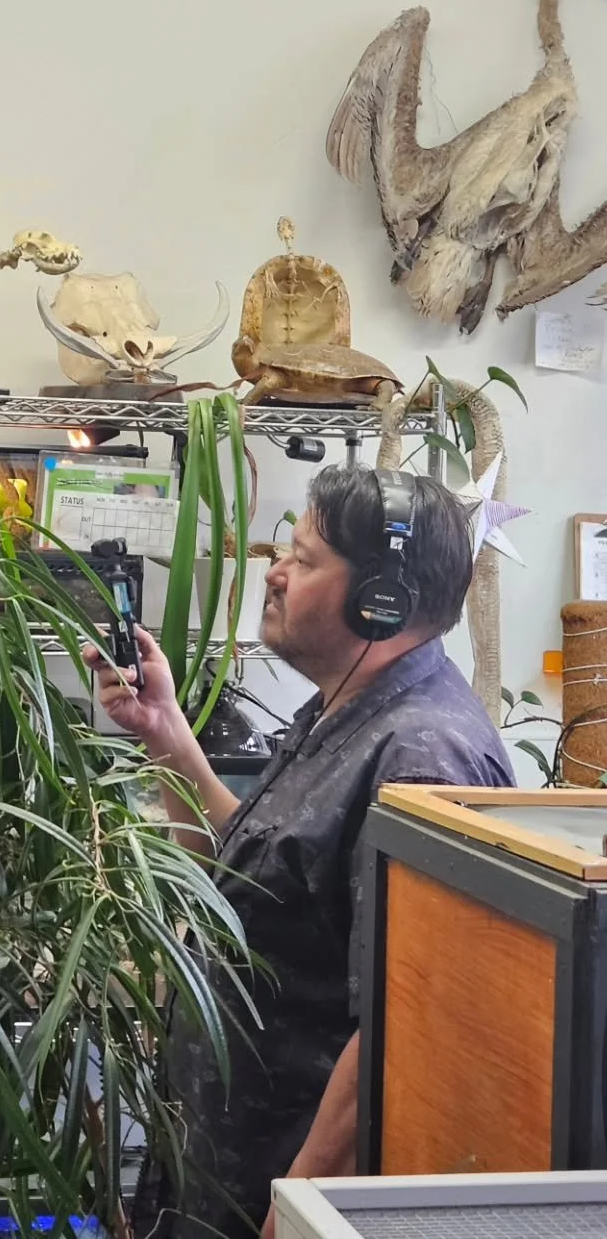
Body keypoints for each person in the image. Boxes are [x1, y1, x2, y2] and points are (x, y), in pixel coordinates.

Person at [85, 465, 513, 1239]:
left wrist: (303, 1203)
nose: (274, 573)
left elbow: (396, 1025)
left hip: (287, 1190)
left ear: (380, 601)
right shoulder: (346, 709)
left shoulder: (420, 758)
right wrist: (165, 733)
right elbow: (249, 875)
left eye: (305, 558)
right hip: (230, 1165)